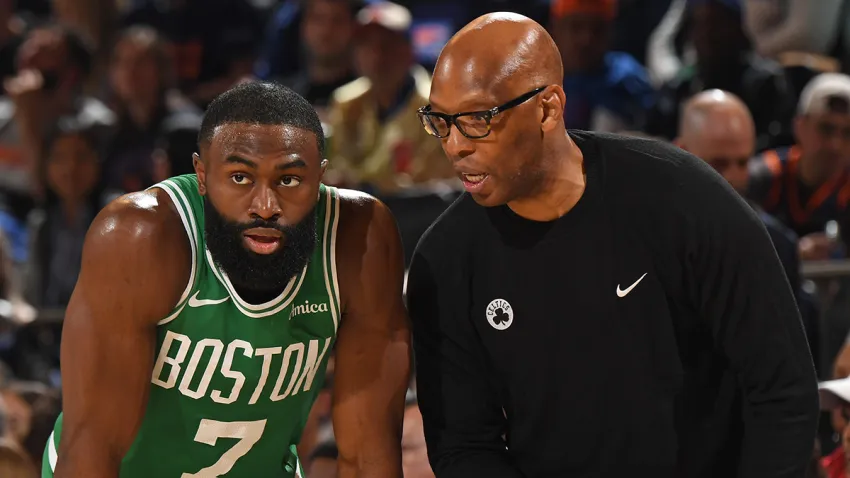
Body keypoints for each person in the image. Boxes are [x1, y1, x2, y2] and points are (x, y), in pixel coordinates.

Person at [407, 12, 818, 478]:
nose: (455, 146)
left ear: (547, 108)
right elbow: (463, 445)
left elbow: (782, 386)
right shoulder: (445, 260)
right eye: (440, 121)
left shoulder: (679, 197)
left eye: (478, 119)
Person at [43, 81, 411, 477]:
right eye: (240, 177)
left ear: (320, 179)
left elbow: (368, 453)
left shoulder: (359, 240)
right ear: (201, 175)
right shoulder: (140, 238)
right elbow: (94, 444)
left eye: (289, 180)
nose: (266, 207)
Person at [675, 89, 821, 373]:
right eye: (719, 163)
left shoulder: (778, 246)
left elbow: (789, 364)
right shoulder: (645, 234)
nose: (732, 176)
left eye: (742, 163)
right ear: (681, 153)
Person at [748, 73, 850, 260]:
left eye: (847, 133)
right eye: (826, 129)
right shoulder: (766, 176)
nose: (835, 144)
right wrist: (793, 253)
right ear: (800, 126)